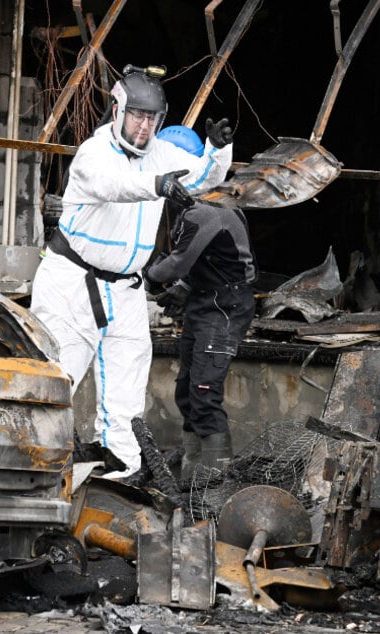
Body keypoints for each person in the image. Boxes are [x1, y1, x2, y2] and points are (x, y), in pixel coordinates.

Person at [30, 65, 234, 479]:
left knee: (126, 398)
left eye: (153, 119)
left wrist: (217, 150)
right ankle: (36, 476)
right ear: (119, 110)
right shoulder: (94, 153)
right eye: (137, 116)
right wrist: (157, 185)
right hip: (72, 284)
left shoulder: (159, 151)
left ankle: (117, 483)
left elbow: (200, 178)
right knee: (55, 384)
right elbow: (115, 185)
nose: (144, 127)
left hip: (125, 290)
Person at [144, 126, 257, 483]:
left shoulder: (205, 212)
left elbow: (176, 262)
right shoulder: (196, 208)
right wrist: (183, 286)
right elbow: (202, 261)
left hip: (224, 307)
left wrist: (146, 277)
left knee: (205, 391)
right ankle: (194, 471)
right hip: (206, 300)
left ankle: (214, 479)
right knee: (188, 389)